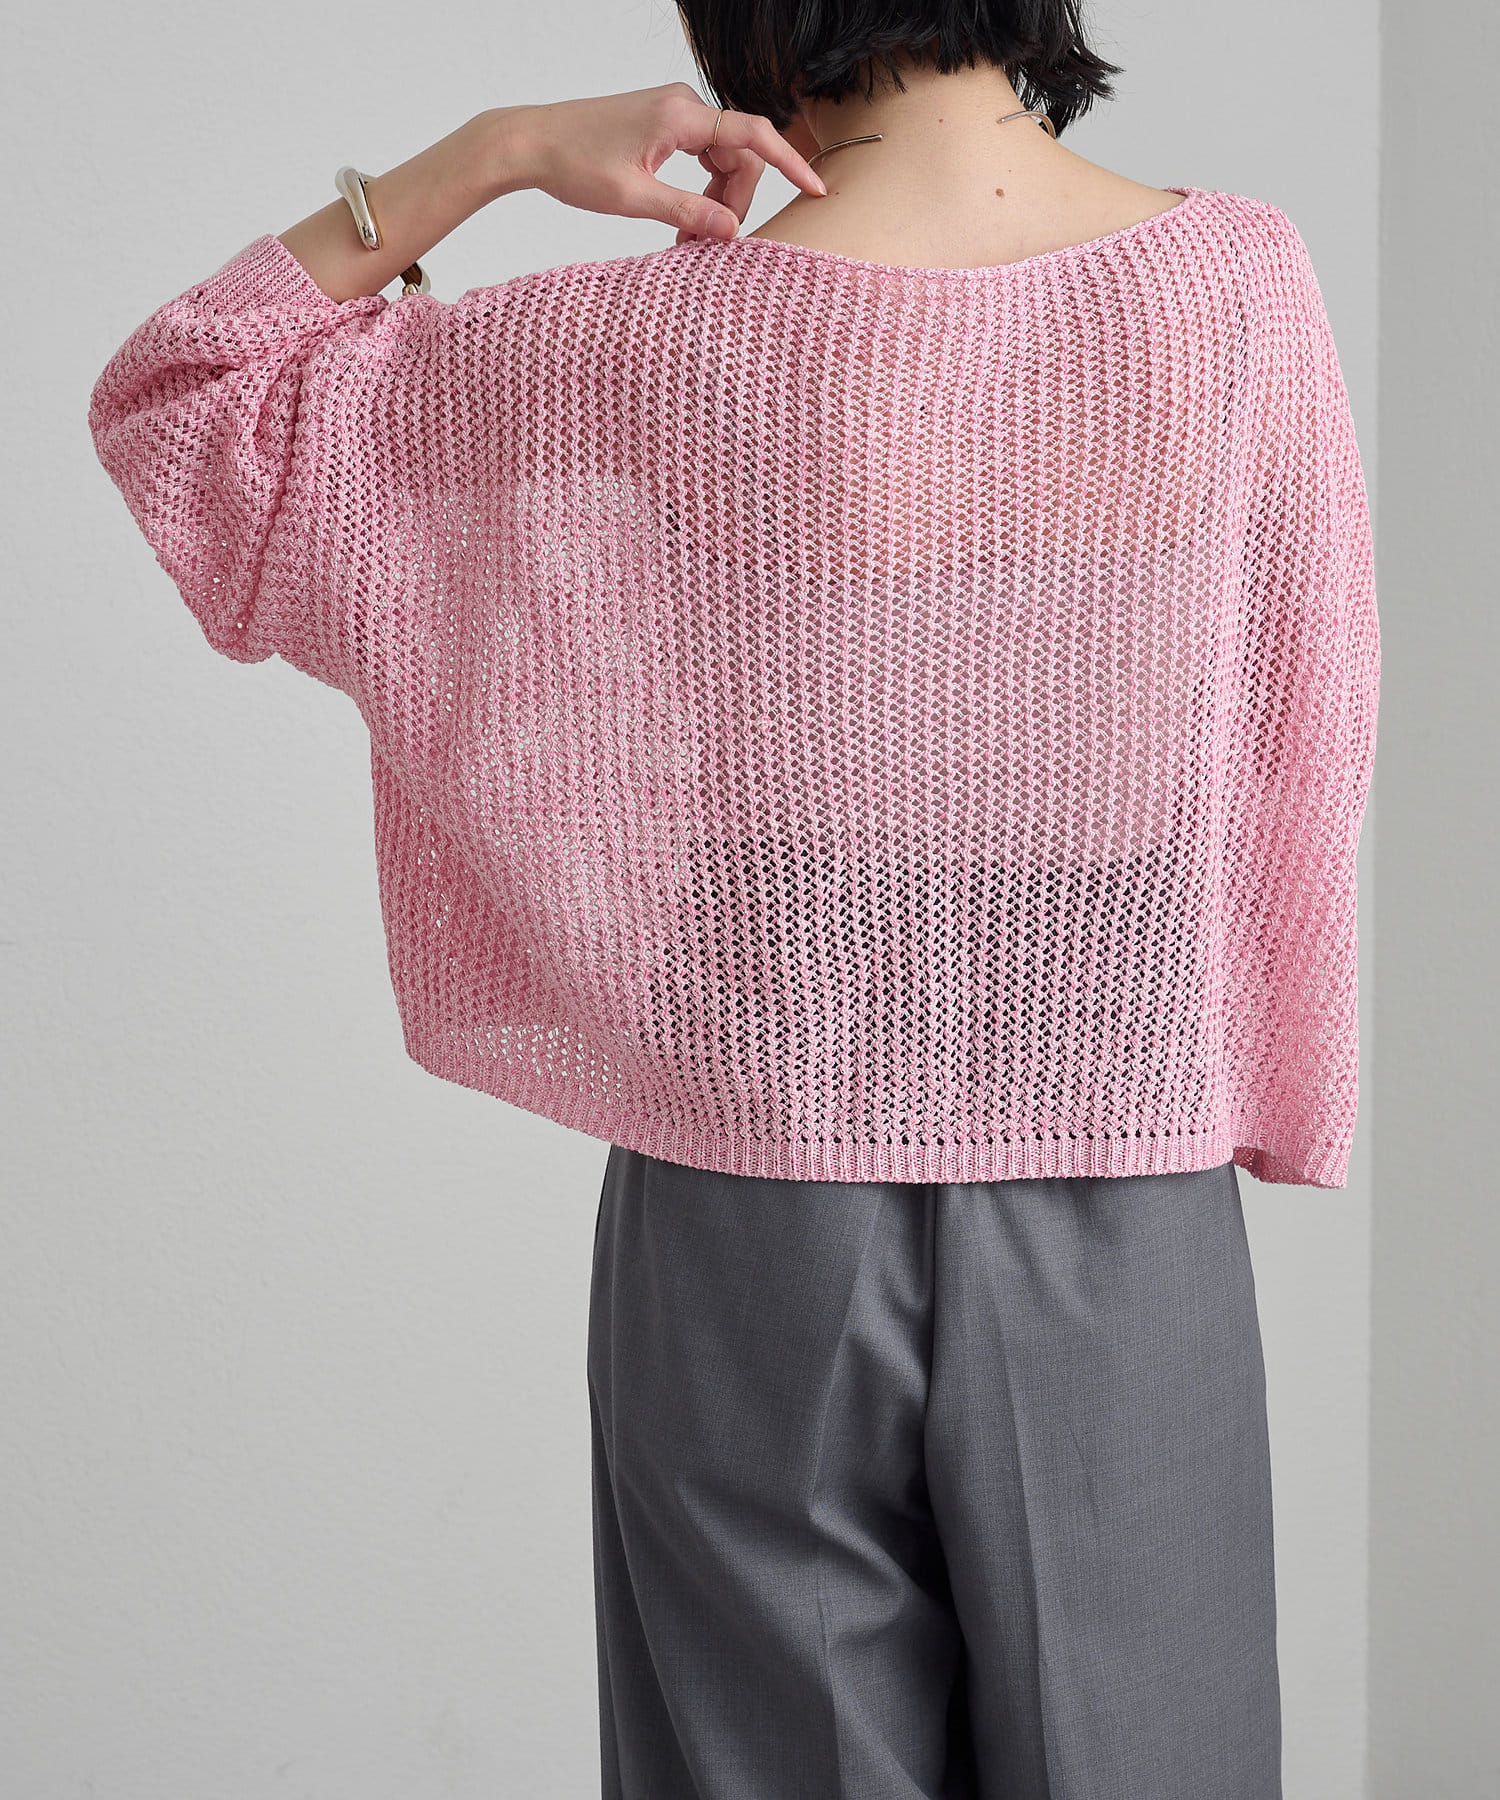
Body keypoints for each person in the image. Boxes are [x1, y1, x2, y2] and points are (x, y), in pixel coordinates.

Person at [88, 2, 1381, 1794]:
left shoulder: (658, 337)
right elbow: (1306, 712)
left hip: (754, 1131)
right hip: (1117, 1129)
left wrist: (494, 154)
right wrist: (1274, 1073)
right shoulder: (1234, 284)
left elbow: (188, 402)